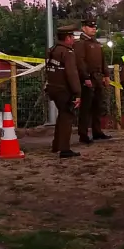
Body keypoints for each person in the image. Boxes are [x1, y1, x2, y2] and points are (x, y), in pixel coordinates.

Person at [44, 25, 82, 158]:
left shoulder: (51, 50)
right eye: (72, 37)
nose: (73, 40)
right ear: (67, 38)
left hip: (52, 87)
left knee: (62, 116)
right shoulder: (68, 53)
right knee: (67, 117)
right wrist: (77, 93)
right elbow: (72, 74)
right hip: (64, 90)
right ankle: (65, 149)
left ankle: (57, 145)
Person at [74, 17, 112, 144]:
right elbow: (80, 62)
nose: (94, 29)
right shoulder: (80, 44)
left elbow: (103, 61)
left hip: (98, 78)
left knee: (97, 106)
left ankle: (97, 131)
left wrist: (106, 74)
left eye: (95, 27)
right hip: (88, 78)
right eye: (91, 27)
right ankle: (83, 134)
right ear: (84, 28)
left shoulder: (96, 43)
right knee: (86, 107)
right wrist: (85, 77)